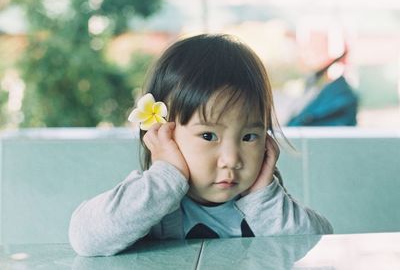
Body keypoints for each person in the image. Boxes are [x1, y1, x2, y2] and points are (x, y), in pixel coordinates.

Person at [69, 34, 333, 257]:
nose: (231, 159)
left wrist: (263, 196)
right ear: (165, 135)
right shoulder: (151, 199)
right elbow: (85, 238)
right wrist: (165, 177)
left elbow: (319, 243)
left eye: (249, 137)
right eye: (208, 136)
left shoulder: (264, 202)